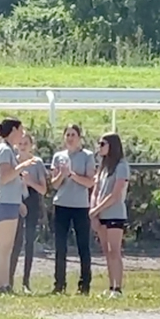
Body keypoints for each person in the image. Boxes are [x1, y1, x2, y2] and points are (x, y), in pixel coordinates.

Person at [0, 119, 41, 294]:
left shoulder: (8, 150)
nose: (22, 133)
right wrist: (22, 166)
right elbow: (5, 177)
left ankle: (4, 284)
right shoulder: (4, 150)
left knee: (7, 247)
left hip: (11, 202)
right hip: (4, 202)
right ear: (13, 130)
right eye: (20, 129)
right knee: (2, 246)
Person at [50, 125, 96, 295]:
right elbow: (54, 184)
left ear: (79, 137)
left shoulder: (87, 156)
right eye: (67, 134)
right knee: (60, 246)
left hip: (80, 206)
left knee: (83, 246)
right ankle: (59, 284)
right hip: (61, 204)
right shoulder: (58, 157)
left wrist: (72, 175)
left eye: (73, 135)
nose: (70, 138)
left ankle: (84, 285)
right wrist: (62, 174)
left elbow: (90, 182)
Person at [91, 132, 129, 297]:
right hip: (101, 213)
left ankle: (118, 287)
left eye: (102, 144)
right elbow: (96, 190)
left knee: (115, 250)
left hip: (115, 213)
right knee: (106, 251)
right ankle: (110, 285)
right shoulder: (103, 168)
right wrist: (93, 211)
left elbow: (115, 194)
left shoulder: (121, 166)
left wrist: (96, 209)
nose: (99, 147)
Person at [10, 132, 47, 293]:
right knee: (14, 242)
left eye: (26, 143)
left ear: (31, 145)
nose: (23, 146)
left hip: (31, 200)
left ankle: (26, 282)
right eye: (21, 143)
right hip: (14, 200)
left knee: (29, 241)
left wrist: (30, 181)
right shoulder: (12, 160)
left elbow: (43, 189)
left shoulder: (36, 163)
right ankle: (8, 280)